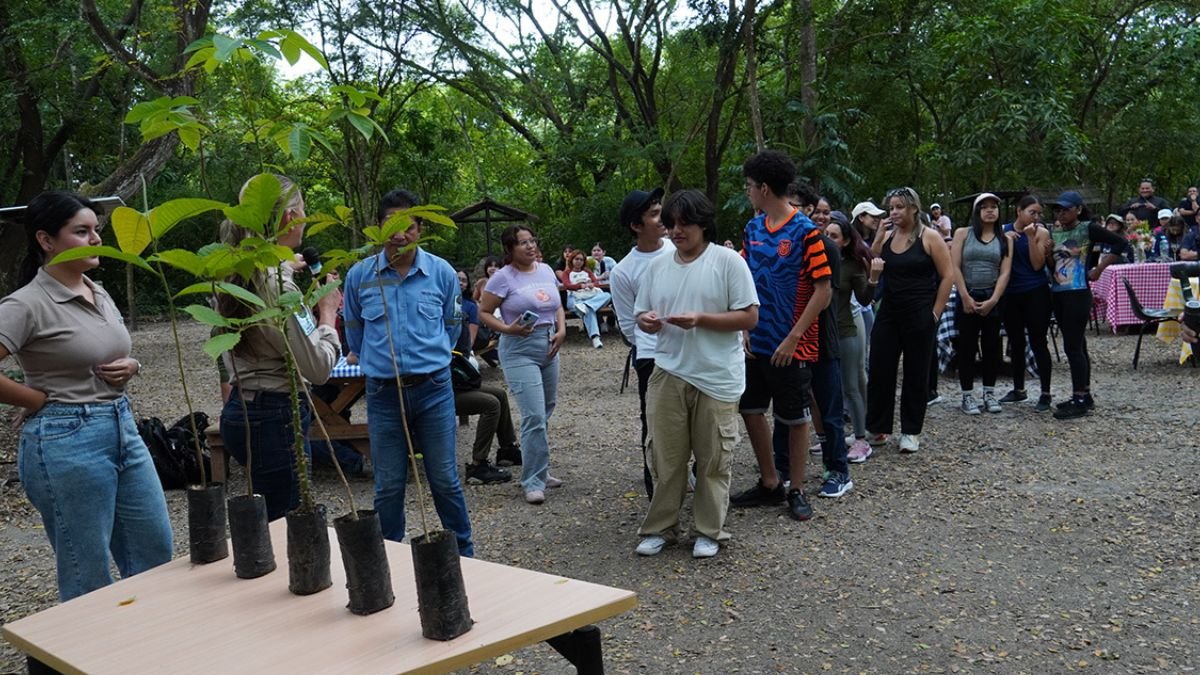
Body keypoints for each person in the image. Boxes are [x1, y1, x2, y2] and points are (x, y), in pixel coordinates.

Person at [0, 191, 172, 601]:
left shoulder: (99, 292)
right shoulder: (26, 304)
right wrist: (33, 399)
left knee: (155, 553)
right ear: (46, 240)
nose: (97, 239)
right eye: (82, 231)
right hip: (65, 440)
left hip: (123, 427)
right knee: (87, 573)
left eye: (97, 230)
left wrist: (134, 366)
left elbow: (109, 351)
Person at [342, 188, 474, 556]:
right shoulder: (360, 275)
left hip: (433, 388)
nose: (400, 234)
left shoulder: (441, 272)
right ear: (378, 227)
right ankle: (389, 560)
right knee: (388, 484)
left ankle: (465, 556)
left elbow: (452, 324)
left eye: (409, 225)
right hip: (383, 392)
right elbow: (354, 330)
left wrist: (427, 355)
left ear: (420, 228)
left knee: (445, 480)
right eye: (391, 224)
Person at [632, 189, 759, 559]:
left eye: (684, 223)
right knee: (666, 457)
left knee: (713, 458)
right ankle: (660, 528)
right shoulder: (657, 266)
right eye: (671, 224)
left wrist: (701, 320)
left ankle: (709, 529)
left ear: (703, 224)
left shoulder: (728, 261)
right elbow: (641, 312)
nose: (676, 231)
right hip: (668, 368)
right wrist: (648, 321)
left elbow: (749, 316)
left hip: (717, 375)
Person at [217, 175, 343, 520]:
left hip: (241, 410)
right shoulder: (276, 284)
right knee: (287, 527)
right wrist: (328, 313)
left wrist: (284, 267)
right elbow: (317, 367)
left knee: (262, 526)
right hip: (275, 416)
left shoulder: (234, 268)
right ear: (291, 217)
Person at [730, 150, 835, 521]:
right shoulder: (753, 229)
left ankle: (797, 488)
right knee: (751, 409)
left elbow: (824, 291)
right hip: (757, 341)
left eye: (748, 186)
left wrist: (794, 337)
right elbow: (744, 278)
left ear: (763, 187)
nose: (747, 192)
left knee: (794, 416)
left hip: (792, 343)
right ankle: (770, 482)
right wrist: (744, 326)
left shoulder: (806, 231)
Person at [478, 225, 567, 505]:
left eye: (532, 240)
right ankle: (532, 480)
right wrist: (508, 329)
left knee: (546, 409)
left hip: (549, 343)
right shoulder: (503, 278)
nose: (530, 246)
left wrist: (562, 330)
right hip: (519, 349)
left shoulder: (545, 271)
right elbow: (483, 312)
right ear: (510, 249)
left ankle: (541, 468)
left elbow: (557, 306)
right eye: (522, 243)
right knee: (533, 415)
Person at [864, 187, 954, 453]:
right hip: (889, 311)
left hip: (920, 312)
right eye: (891, 207)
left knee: (916, 372)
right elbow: (871, 263)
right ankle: (877, 428)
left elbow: (947, 275)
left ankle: (911, 431)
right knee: (880, 369)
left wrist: (935, 313)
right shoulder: (888, 236)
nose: (894, 212)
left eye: (900, 207)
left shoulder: (930, 237)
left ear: (914, 208)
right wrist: (879, 237)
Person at [608, 186, 671, 499]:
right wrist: (655, 345)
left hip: (693, 352)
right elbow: (629, 326)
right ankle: (657, 497)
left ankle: (699, 485)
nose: (663, 218)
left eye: (661, 210)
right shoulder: (623, 271)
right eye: (654, 214)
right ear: (636, 225)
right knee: (655, 427)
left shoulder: (680, 250)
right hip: (651, 358)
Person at [1048, 191, 1128, 419]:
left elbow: (1120, 243)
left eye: (1066, 209)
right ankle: (1084, 393)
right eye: (1058, 210)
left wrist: (1098, 269)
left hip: (1078, 292)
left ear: (1078, 210)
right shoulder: (1055, 232)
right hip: (1059, 292)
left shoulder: (1087, 229)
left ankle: (1079, 398)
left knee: (1072, 348)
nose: (1061, 213)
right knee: (1077, 344)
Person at [950, 192, 1013, 416]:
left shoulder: (1005, 238)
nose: (989, 210)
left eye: (994, 207)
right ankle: (967, 395)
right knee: (966, 347)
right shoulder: (962, 234)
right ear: (977, 212)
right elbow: (955, 266)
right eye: (984, 207)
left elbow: (1005, 272)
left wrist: (994, 299)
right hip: (967, 293)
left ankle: (989, 392)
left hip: (992, 295)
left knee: (991, 347)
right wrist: (965, 296)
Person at [454, 269, 518, 480]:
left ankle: (507, 450)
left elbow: (464, 348)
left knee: (499, 394)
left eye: (462, 280)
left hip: (455, 382)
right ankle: (478, 465)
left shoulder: (466, 308)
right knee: (491, 404)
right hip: (439, 390)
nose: (459, 283)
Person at [824, 211, 875, 462]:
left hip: (848, 329)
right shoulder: (818, 259)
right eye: (826, 234)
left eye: (834, 235)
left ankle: (861, 439)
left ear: (845, 241)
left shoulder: (852, 264)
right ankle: (833, 436)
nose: (828, 238)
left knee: (852, 384)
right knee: (833, 387)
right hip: (826, 331)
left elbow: (865, 299)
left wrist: (874, 279)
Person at [999, 195, 1054, 411]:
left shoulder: (1041, 232)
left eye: (1039, 213)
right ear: (1018, 211)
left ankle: (1045, 393)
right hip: (1010, 293)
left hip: (1035, 292)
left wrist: (1030, 237)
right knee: (1015, 342)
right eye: (1032, 212)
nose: (1037, 217)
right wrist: (1006, 240)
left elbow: (1038, 264)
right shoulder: (1002, 231)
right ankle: (1018, 389)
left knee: (1039, 342)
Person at [560, 250, 612, 349]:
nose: (579, 261)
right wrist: (580, 286)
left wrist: (592, 284)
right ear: (572, 260)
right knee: (589, 310)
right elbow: (567, 285)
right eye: (577, 259)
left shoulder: (587, 271)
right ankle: (595, 338)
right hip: (576, 299)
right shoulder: (567, 273)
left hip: (590, 296)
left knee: (607, 295)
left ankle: (587, 305)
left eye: (581, 260)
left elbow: (596, 282)